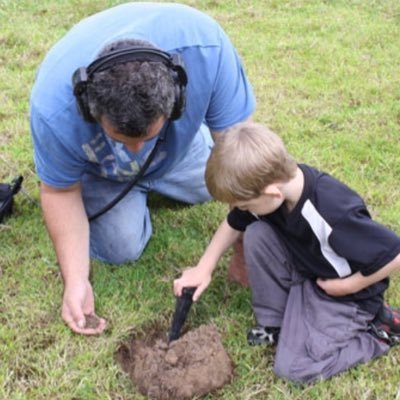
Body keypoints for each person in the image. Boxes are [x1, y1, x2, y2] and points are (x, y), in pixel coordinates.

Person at [30, 3, 255, 335]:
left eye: (147, 137)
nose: (136, 150)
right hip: (102, 172)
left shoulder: (207, 49)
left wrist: (245, 251)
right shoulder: (54, 110)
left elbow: (243, 159)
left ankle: (193, 146)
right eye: (120, 138)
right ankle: (125, 191)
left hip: (179, 152)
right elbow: (59, 191)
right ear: (88, 108)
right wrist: (76, 281)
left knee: (217, 182)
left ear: (177, 99)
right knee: (120, 247)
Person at [174, 122, 400, 383]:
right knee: (257, 234)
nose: (242, 210)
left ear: (272, 192)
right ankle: (277, 325)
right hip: (310, 271)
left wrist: (351, 285)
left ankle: (377, 331)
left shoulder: (332, 210)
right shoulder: (271, 192)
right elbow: (233, 224)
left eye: (245, 205)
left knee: (292, 369)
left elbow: (394, 253)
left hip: (346, 297)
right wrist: (204, 267)